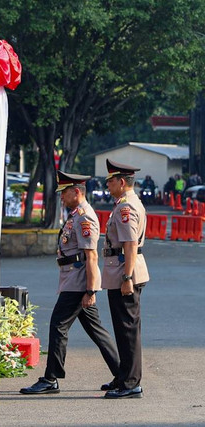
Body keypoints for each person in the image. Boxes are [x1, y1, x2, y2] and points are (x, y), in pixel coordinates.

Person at [20, 171, 119, 396]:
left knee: (58, 325)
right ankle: (122, 374)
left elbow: (91, 256)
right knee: (96, 330)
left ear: (76, 192)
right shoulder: (75, 214)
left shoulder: (84, 217)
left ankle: (50, 378)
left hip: (78, 282)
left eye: (64, 193)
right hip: (73, 279)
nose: (61, 198)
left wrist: (91, 289)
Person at [102, 159, 150, 399]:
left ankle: (131, 383)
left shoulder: (125, 207)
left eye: (110, 181)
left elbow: (130, 245)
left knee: (128, 330)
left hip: (125, 272)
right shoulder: (126, 203)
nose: (107, 184)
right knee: (123, 329)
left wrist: (127, 277)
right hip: (121, 270)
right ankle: (124, 377)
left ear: (122, 182)